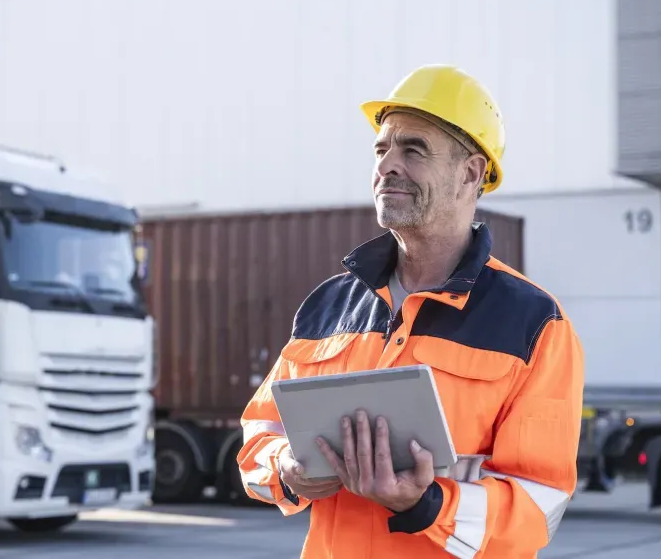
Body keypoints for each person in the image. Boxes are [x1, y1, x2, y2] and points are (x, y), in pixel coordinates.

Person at [235, 64, 585, 558]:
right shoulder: (329, 305)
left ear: (471, 173)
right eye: (381, 149)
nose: (387, 166)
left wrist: (427, 504)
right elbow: (261, 433)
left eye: (413, 150)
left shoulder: (534, 324)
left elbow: (540, 501)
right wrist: (286, 468)